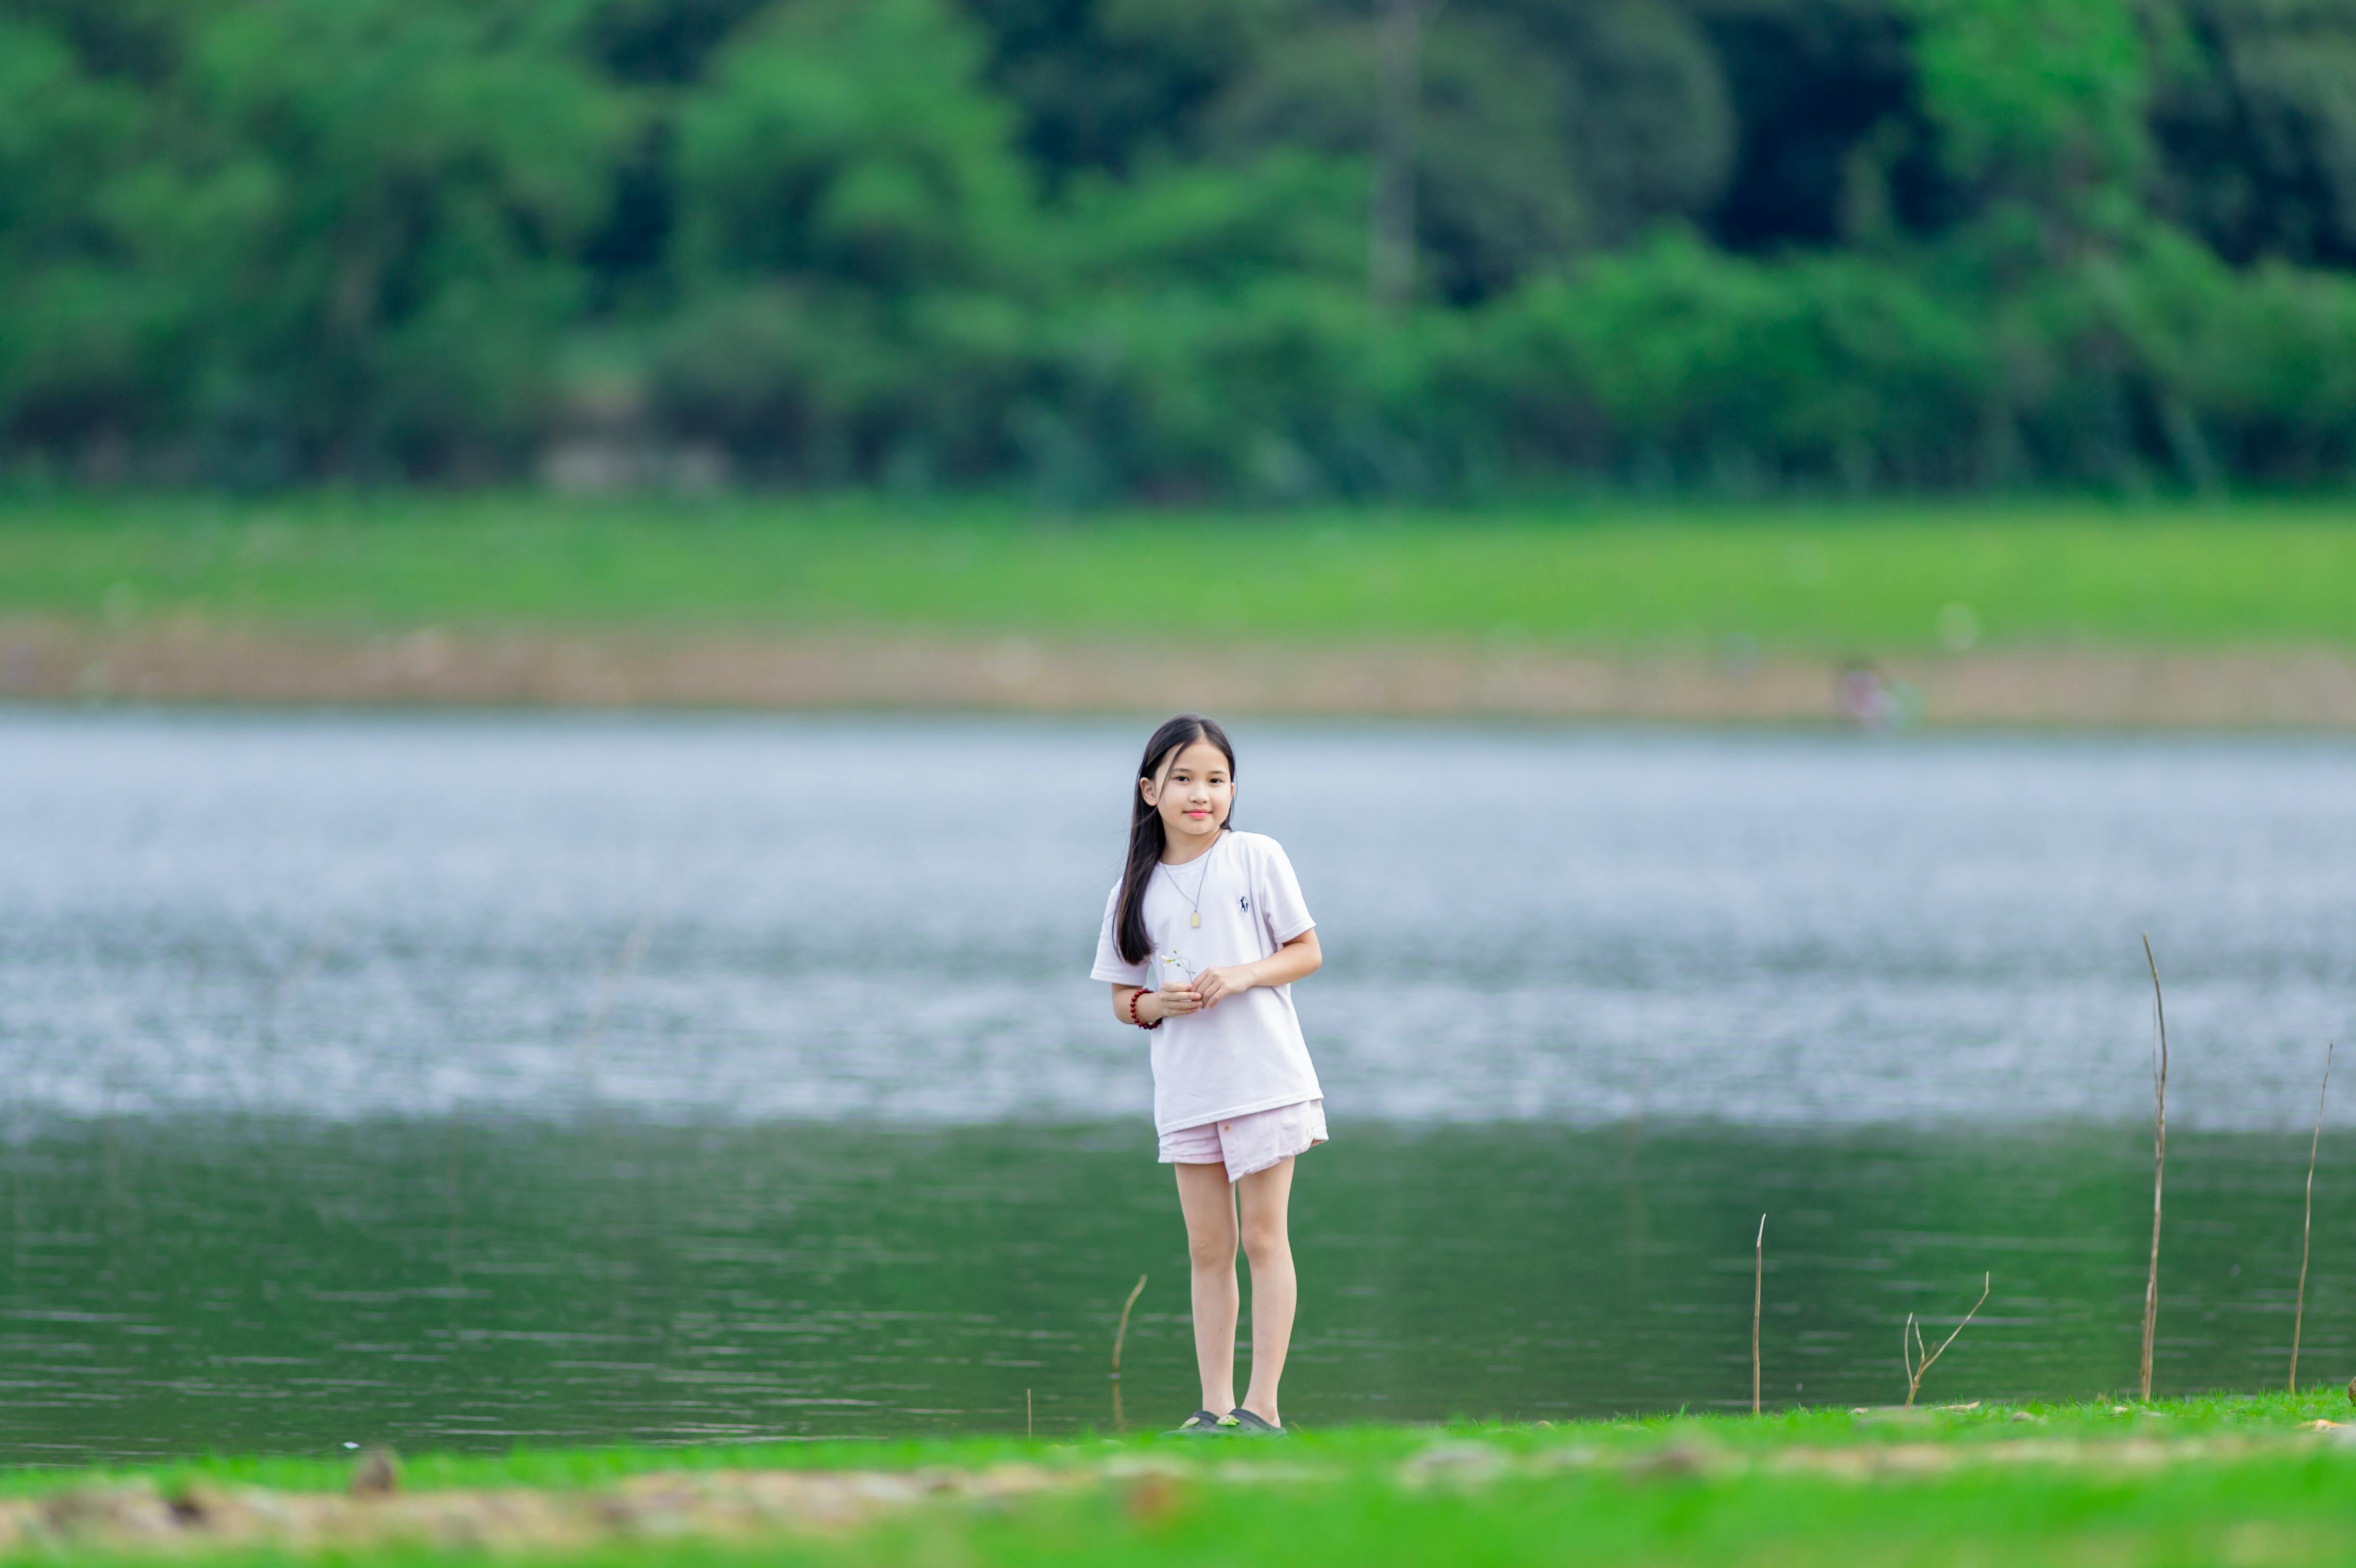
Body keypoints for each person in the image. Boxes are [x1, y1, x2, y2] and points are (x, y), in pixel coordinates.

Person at [1089, 714, 1326, 1438]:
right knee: (1206, 1249)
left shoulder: (1257, 856)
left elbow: (1307, 951)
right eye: (1184, 779)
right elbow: (1121, 1000)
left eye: (1216, 780)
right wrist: (1155, 1003)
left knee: (1263, 1238)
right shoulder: (1133, 887)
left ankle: (1264, 1408)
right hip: (1189, 1088)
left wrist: (1246, 975)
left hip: (1264, 1077)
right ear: (1149, 790)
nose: (1202, 795)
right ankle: (1215, 1406)